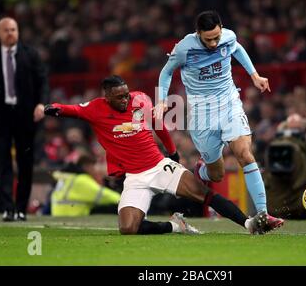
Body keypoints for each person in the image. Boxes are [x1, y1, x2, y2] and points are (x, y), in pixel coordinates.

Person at [44, 75, 282, 235]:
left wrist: (173, 151)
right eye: (119, 97)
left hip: (158, 166)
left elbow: (158, 125)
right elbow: (69, 109)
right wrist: (50, 109)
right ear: (107, 97)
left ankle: (249, 223)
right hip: (135, 177)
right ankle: (175, 226)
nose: (126, 99)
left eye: (126, 94)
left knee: (202, 194)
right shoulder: (95, 108)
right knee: (128, 229)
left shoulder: (140, 100)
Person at [155, 10, 283, 226]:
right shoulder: (184, 48)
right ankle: (201, 170)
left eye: (216, 37)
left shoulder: (228, 37)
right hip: (202, 114)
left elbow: (238, 49)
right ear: (198, 34)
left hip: (229, 104)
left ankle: (263, 214)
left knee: (244, 154)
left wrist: (254, 75)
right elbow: (166, 72)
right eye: (208, 39)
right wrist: (161, 100)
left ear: (221, 29)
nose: (214, 43)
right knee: (217, 174)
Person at [0, 17, 49, 221]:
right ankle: (7, 208)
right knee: (3, 163)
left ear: (18, 31)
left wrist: (42, 104)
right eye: (6, 30)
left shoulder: (30, 54)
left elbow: (43, 82)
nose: (10, 33)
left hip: (25, 116)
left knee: (25, 163)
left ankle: (21, 208)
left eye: (13, 29)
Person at [264, 114, 306, 219]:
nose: (293, 132)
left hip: (303, 201)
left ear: (305, 130)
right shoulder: (273, 149)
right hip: (277, 198)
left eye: (297, 129)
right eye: (290, 128)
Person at [50, 154, 121, 216]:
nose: (95, 170)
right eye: (93, 167)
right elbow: (105, 195)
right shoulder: (82, 180)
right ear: (86, 166)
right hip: (71, 215)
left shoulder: (69, 177)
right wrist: (124, 200)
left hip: (59, 213)